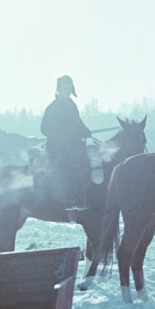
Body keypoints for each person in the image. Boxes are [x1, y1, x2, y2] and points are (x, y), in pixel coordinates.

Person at [41, 75, 92, 210]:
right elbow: (44, 128)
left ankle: (80, 195)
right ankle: (67, 198)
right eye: (65, 88)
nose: (67, 91)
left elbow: (77, 123)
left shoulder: (72, 106)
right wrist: (64, 135)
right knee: (68, 165)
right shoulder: (52, 108)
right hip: (56, 148)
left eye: (69, 88)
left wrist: (85, 131)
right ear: (59, 89)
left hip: (73, 146)